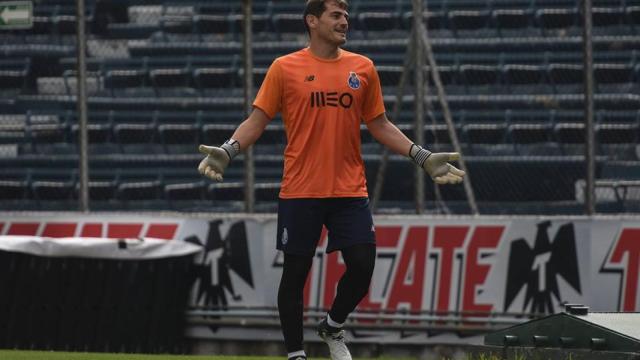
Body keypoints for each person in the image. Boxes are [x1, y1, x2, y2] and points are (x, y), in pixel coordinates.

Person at [197, 1, 465, 359]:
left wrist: (422, 156)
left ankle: (332, 326)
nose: (344, 21)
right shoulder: (284, 67)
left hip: (349, 188)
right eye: (336, 15)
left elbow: (380, 124)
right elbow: (258, 120)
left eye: (346, 16)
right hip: (300, 189)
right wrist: (228, 150)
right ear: (312, 21)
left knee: (363, 264)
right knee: (295, 273)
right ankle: (296, 355)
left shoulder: (363, 68)